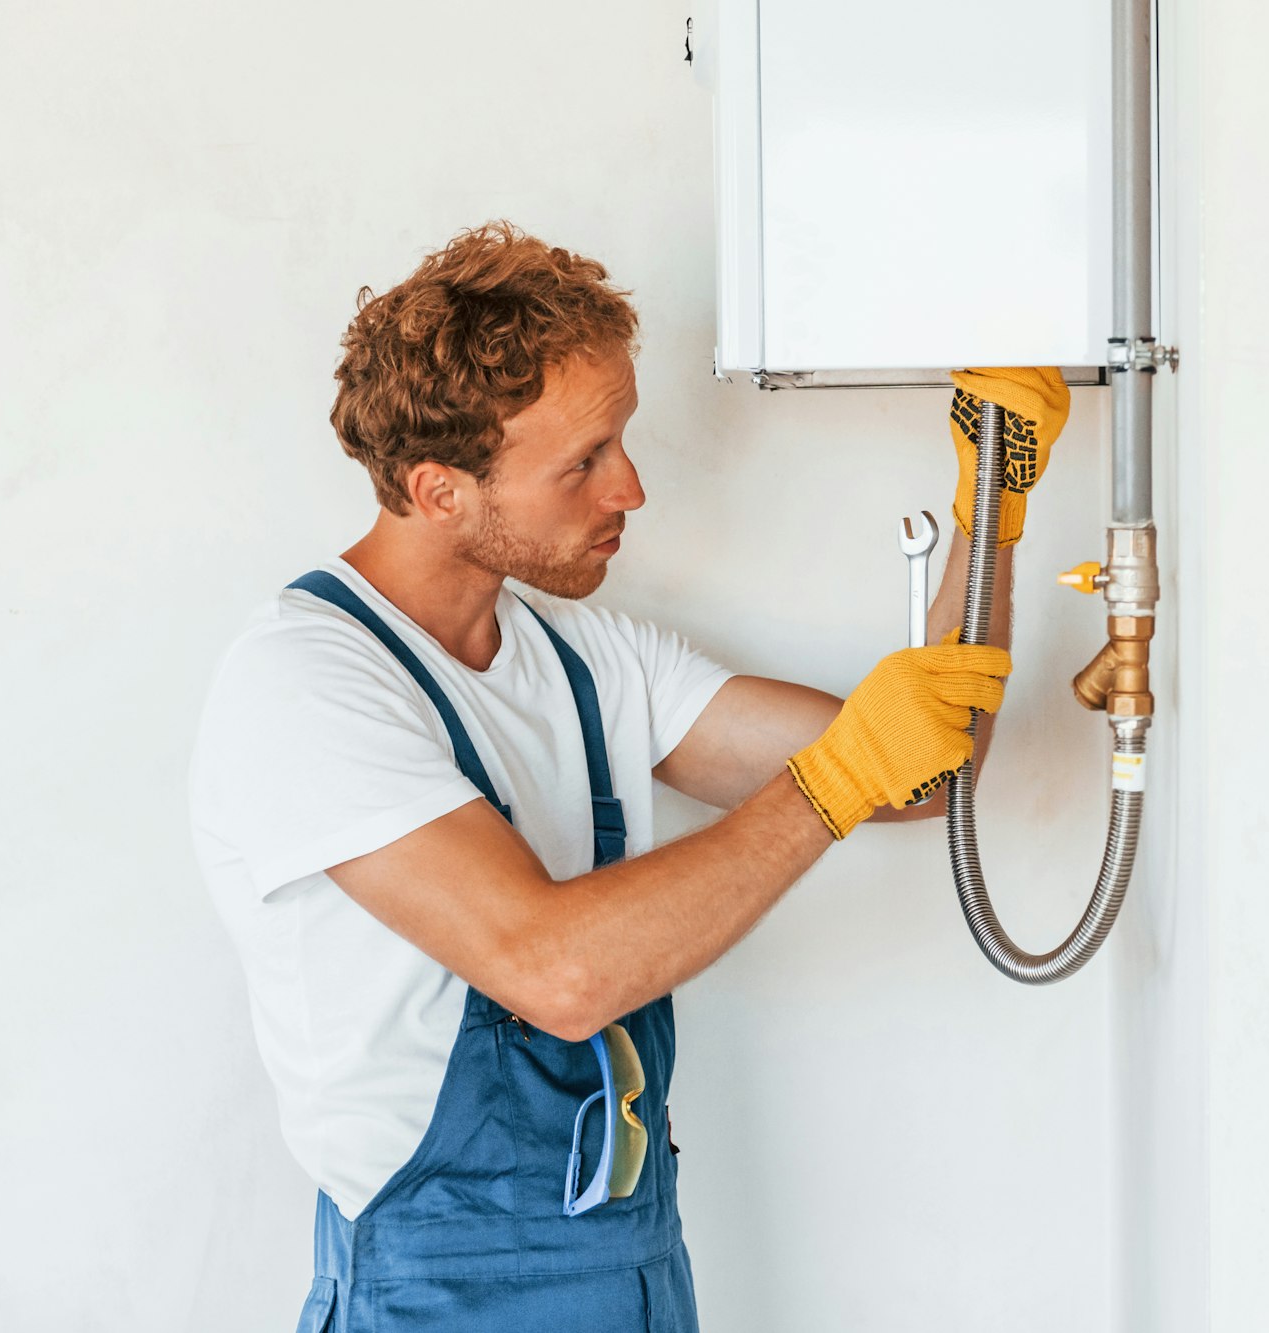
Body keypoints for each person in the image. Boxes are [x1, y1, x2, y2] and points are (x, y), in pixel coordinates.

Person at [187, 220, 1070, 1332]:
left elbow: (920, 776)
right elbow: (551, 971)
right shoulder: (307, 685)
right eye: (584, 461)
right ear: (439, 487)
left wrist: (992, 500)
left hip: (635, 1266)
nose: (632, 489)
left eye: (622, 442)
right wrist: (833, 780)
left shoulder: (586, 658)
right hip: (441, 1293)